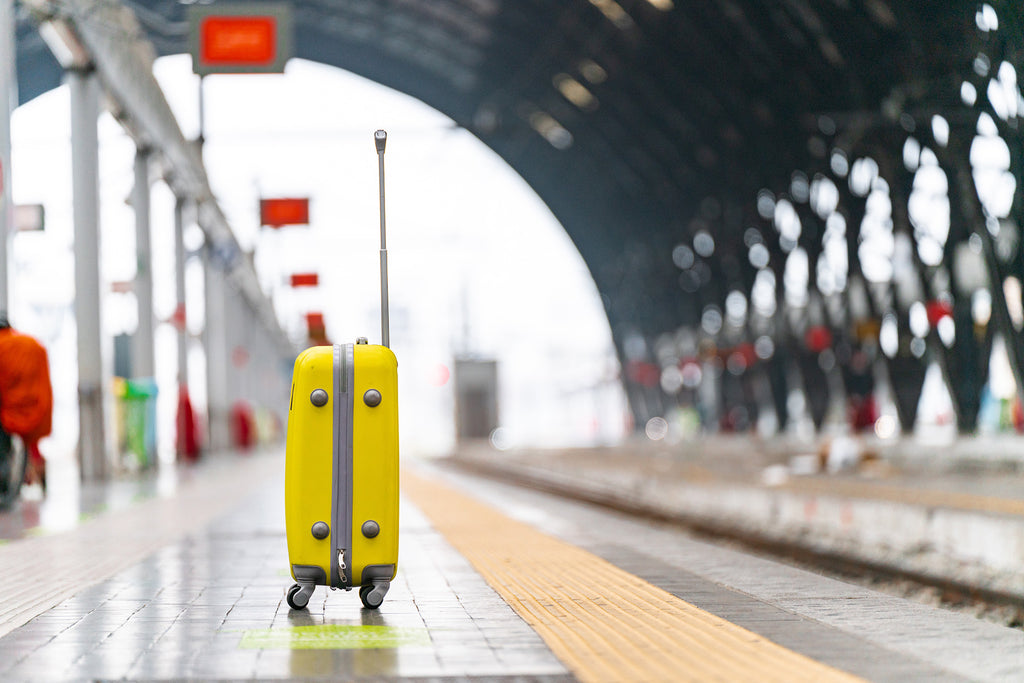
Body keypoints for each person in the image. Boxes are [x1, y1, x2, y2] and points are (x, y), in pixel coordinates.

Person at [0, 313, 53, 490]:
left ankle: (21, 480)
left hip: (10, 409)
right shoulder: (33, 344)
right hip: (36, 405)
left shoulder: (3, 345)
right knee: (33, 446)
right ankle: (39, 479)